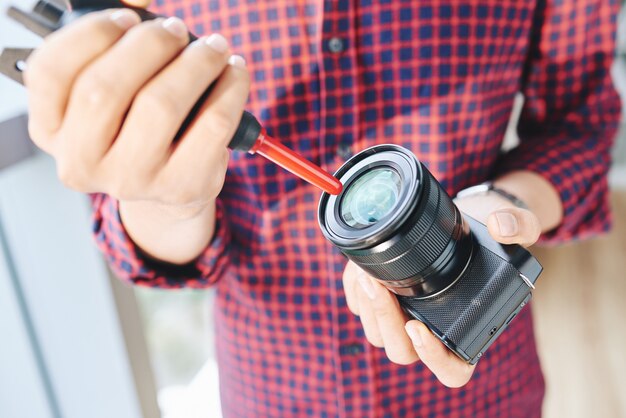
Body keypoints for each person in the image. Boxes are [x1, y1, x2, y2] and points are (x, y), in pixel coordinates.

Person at [23, 0, 620, 416]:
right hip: (273, 388)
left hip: (484, 389)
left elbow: (580, 125)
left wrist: (504, 208)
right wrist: (164, 197)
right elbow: (152, 245)